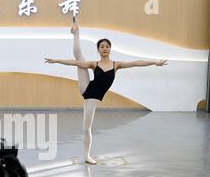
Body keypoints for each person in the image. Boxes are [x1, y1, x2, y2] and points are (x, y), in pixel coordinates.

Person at [45, 17, 167, 165]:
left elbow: (136, 63)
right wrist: (57, 60)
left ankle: (87, 155)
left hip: (94, 97)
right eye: (101, 46)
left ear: (110, 49)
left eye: (106, 46)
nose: (104, 48)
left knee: (86, 128)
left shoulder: (117, 65)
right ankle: (76, 32)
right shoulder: (94, 64)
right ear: (98, 49)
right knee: (79, 59)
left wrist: (154, 62)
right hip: (87, 91)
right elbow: (76, 62)